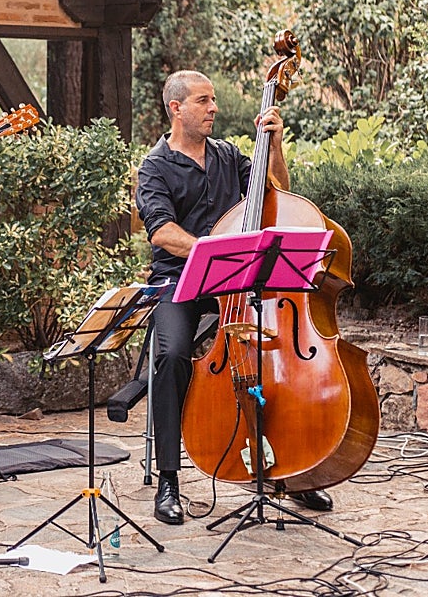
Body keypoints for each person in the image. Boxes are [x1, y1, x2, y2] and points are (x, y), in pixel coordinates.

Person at [136, 70, 333, 525]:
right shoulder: (155, 166)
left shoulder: (227, 155)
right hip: (181, 282)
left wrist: (276, 145)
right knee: (170, 356)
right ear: (176, 108)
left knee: (274, 355)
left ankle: (293, 475)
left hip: (239, 283)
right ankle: (169, 480)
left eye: (214, 100)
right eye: (204, 101)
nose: (214, 109)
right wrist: (213, 249)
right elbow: (163, 232)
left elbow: (277, 194)